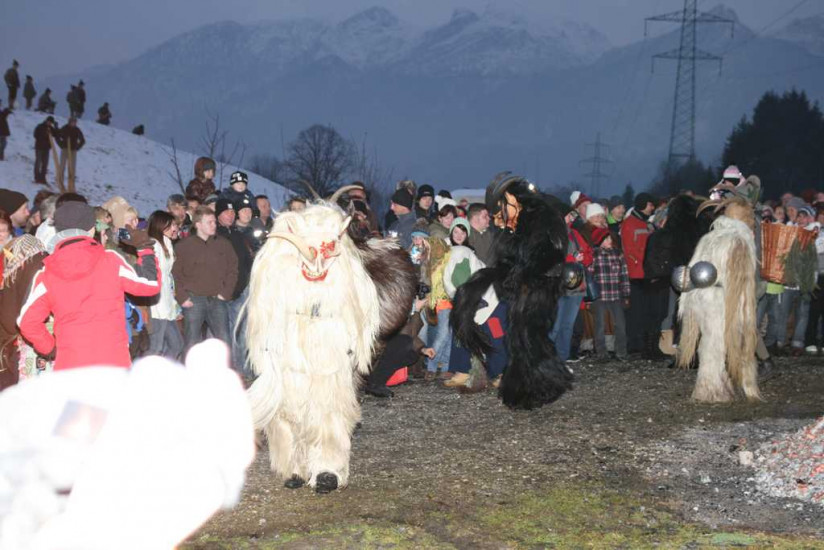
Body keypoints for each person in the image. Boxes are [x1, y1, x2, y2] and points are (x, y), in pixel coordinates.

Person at [17, 202, 161, 370]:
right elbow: (150, 285)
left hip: (70, 366)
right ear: (92, 229)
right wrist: (144, 248)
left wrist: (51, 349)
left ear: (59, 231)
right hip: (114, 364)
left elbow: (27, 322)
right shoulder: (111, 260)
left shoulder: (46, 273)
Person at [173, 206, 237, 353]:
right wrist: (182, 297)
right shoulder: (183, 246)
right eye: (209, 222)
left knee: (224, 342)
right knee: (191, 343)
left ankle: (225, 367)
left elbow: (233, 269)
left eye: (214, 222)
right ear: (198, 225)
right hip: (194, 300)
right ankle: (188, 368)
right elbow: (175, 274)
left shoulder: (224, 244)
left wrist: (226, 293)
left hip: (217, 299)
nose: (214, 225)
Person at [0, 234, 49, 389]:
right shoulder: (44, 267)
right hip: (35, 348)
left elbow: (8, 321)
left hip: (13, 352)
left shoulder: (10, 276)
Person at [215, 199, 254, 372]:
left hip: (241, 290)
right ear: (218, 215)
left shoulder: (238, 235)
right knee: (225, 333)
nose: (230, 215)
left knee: (242, 331)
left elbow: (247, 261)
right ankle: (228, 369)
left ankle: (242, 368)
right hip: (223, 292)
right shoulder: (215, 235)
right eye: (226, 212)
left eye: (232, 212)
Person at [145, 211, 184, 360]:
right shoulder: (154, 245)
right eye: (171, 225)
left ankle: (163, 371)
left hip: (166, 303)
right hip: (156, 305)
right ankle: (142, 372)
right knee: (155, 347)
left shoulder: (166, 243)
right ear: (160, 226)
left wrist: (174, 305)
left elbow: (168, 277)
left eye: (174, 225)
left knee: (176, 344)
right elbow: (153, 275)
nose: (175, 228)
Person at [620, 192, 656, 353]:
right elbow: (629, 250)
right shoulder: (629, 223)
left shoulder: (645, 223)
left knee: (643, 310)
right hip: (635, 273)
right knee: (635, 310)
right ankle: (633, 344)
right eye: (650, 204)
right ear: (643, 204)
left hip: (646, 272)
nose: (652, 208)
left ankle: (640, 342)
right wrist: (644, 261)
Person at [589, 228, 630, 362]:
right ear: (599, 241)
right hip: (599, 296)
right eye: (606, 239)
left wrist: (626, 294)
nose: (610, 240)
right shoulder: (594, 255)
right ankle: (601, 354)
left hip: (616, 295)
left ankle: (621, 353)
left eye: (610, 238)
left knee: (620, 325)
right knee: (600, 326)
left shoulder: (618, 254)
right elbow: (589, 275)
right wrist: (589, 297)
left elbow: (624, 274)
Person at [57, 117, 85, 191]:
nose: (74, 123)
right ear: (69, 122)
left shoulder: (77, 130)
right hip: (65, 149)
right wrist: (61, 145)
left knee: (72, 168)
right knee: (62, 166)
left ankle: (71, 184)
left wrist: (77, 147)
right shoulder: (65, 128)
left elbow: (82, 140)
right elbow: (58, 136)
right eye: (72, 122)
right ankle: (60, 182)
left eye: (75, 122)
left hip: (73, 150)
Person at [33, 116, 57, 184]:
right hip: (39, 147)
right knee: (38, 163)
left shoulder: (51, 128)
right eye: (49, 122)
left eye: (51, 123)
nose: (49, 123)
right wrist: (44, 135)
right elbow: (35, 135)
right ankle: (37, 178)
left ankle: (43, 178)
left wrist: (56, 127)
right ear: (46, 120)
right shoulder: (40, 126)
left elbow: (56, 134)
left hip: (46, 148)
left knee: (45, 164)